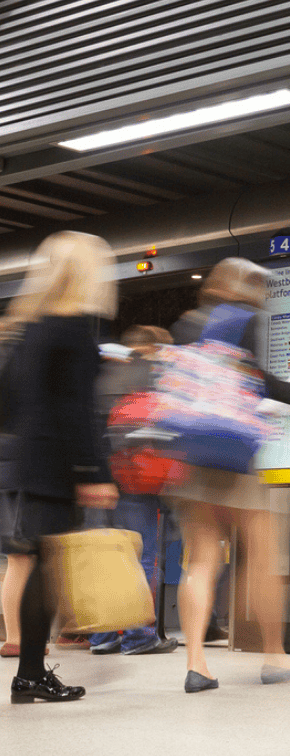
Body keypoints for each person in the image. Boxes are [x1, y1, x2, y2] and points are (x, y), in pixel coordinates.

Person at [168, 258, 290, 692]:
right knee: (261, 558)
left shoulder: (186, 325)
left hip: (190, 457)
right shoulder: (249, 321)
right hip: (234, 456)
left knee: (202, 559)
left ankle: (195, 662)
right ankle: (274, 655)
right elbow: (263, 385)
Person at [6, 230, 120, 703]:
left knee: (39, 562)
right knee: (49, 567)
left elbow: (7, 399)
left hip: (30, 459)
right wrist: (95, 473)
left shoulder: (29, 325)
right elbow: (78, 411)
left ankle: (31, 672)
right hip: (58, 464)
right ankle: (31, 673)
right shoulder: (74, 328)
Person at [88, 325, 178, 656]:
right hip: (139, 480)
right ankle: (139, 635)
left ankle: (103, 635)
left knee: (108, 556)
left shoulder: (100, 371)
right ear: (151, 347)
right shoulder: (152, 373)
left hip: (103, 477)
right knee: (145, 556)